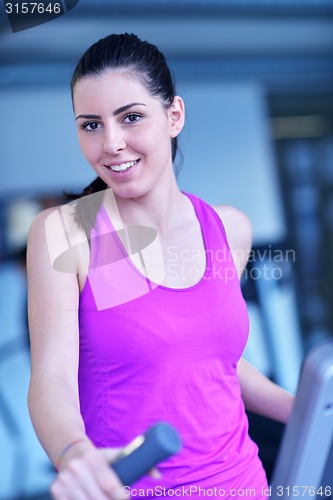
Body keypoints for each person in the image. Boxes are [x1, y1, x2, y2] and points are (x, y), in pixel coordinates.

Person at [27, 33, 294, 499]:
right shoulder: (71, 232)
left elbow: (212, 361)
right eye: (91, 125)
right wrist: (75, 454)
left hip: (246, 486)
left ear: (174, 116)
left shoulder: (228, 229)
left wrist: (308, 407)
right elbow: (51, 378)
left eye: (130, 118)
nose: (111, 143)